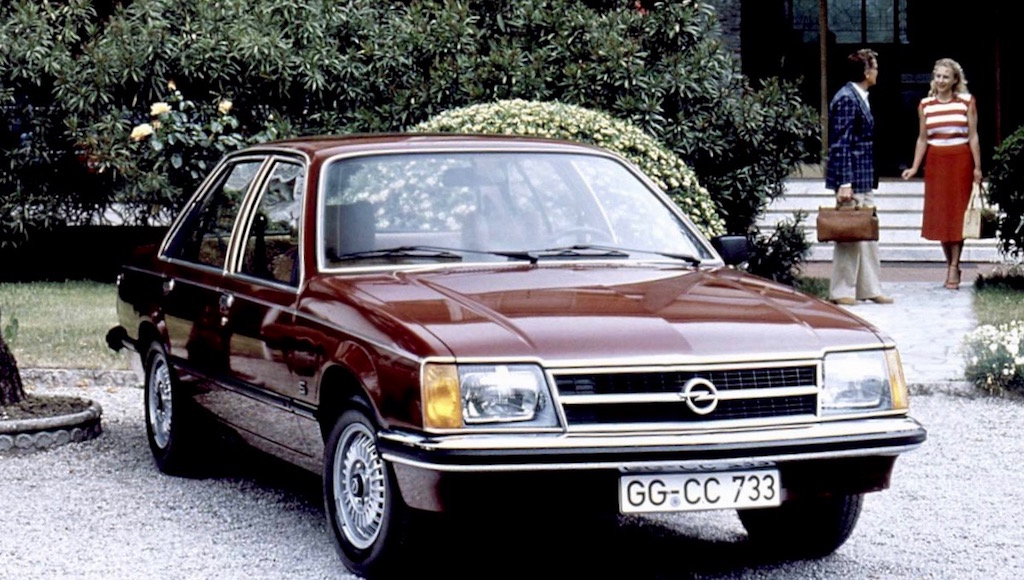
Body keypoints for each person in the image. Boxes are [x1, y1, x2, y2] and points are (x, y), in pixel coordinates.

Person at [900, 58, 982, 289]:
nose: (941, 81)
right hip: (937, 162)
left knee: (957, 215)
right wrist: (915, 167)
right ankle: (950, 263)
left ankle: (953, 267)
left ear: (955, 79)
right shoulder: (925, 105)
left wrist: (977, 167)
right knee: (941, 216)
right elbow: (923, 138)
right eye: (938, 76)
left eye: (946, 77)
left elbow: (973, 136)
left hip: (961, 161)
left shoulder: (966, 102)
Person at [825, 48, 893, 305]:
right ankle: (842, 290)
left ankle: (869, 288)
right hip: (851, 176)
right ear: (866, 72)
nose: (877, 72)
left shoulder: (860, 96)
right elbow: (840, 143)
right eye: (874, 67)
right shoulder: (846, 98)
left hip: (863, 175)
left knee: (866, 232)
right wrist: (844, 182)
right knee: (849, 235)